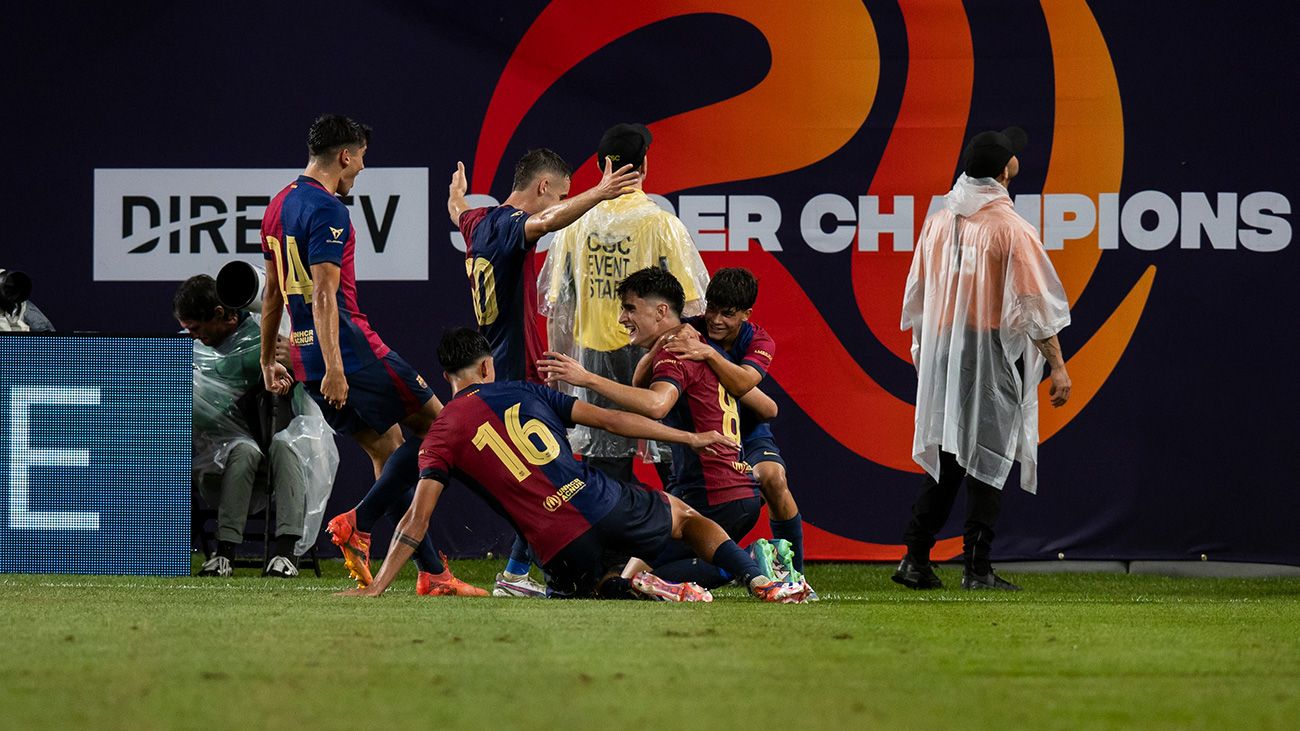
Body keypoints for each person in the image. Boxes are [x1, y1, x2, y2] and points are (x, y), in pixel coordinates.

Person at [342, 328, 811, 603]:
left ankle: (633, 585)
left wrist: (379, 586)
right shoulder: (528, 391)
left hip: (555, 546)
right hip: (600, 500)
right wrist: (690, 436)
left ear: (448, 377)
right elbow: (616, 421)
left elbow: (415, 520)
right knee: (688, 518)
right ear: (488, 368)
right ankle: (760, 580)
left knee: (591, 584)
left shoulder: (441, 433)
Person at [259, 114, 478, 596]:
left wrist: (268, 359)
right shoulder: (329, 209)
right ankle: (359, 521)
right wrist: (338, 367)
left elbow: (273, 292)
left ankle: (432, 572)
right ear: (345, 156)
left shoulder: (276, 206)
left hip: (307, 358)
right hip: (352, 352)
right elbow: (323, 296)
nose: (361, 168)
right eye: (360, 159)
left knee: (387, 452)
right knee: (442, 430)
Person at [448, 149, 640, 597]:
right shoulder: (514, 226)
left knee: (543, 479)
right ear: (542, 188)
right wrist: (600, 192)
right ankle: (524, 574)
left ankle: (518, 572)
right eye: (562, 194)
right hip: (514, 379)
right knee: (550, 479)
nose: (563, 203)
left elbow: (458, 210)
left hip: (500, 373)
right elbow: (547, 222)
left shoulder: (476, 221)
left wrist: (455, 198)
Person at [538, 268, 797, 592]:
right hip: (727, 484)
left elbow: (656, 405)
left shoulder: (688, 349)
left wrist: (587, 377)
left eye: (630, 308)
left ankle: (755, 563)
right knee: (627, 578)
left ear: (661, 311)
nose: (621, 318)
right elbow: (645, 386)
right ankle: (747, 564)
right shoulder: (691, 338)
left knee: (628, 583)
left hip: (712, 488)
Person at [892, 126, 1072, 591]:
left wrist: (924, 349)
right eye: (1012, 156)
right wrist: (1058, 365)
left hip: (946, 347)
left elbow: (916, 293)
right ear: (1003, 171)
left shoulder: (940, 219)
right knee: (989, 454)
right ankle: (977, 567)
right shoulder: (1010, 228)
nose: (1017, 159)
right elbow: (1035, 305)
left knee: (950, 453)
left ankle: (915, 557)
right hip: (988, 350)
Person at [537, 123, 709, 484]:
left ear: (602, 168)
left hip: (591, 360)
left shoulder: (572, 226)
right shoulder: (663, 225)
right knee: (674, 463)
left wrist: (561, 383)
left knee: (607, 476)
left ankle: (617, 542)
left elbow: (559, 312)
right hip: (657, 354)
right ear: (644, 166)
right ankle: (686, 539)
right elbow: (693, 307)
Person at [635, 267, 806, 578]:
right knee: (673, 545)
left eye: (727, 313)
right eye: (711, 308)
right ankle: (749, 564)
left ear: (746, 314)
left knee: (773, 478)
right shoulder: (689, 330)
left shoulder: (758, 340)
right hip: (705, 437)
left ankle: (793, 572)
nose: (715, 319)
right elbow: (641, 380)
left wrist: (709, 356)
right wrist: (661, 344)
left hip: (747, 432)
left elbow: (755, 398)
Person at [175, 274, 305, 578]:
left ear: (222, 315)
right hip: (217, 459)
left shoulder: (267, 335)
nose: (193, 336)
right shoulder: (188, 352)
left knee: (287, 445)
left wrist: (294, 363)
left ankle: (285, 555)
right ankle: (224, 556)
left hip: (275, 451)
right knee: (243, 450)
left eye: (195, 328)